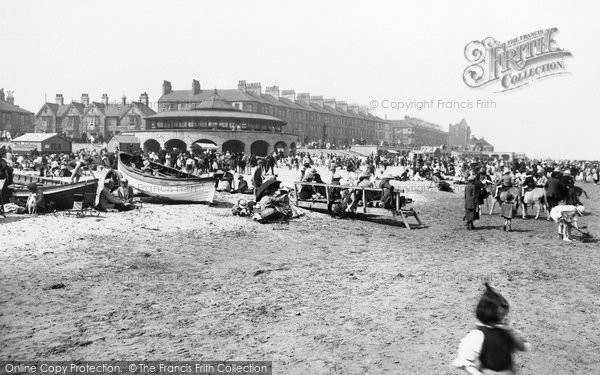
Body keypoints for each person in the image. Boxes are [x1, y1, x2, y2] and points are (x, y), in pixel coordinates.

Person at [453, 283, 530, 375]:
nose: (506, 318)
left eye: (506, 315)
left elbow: (523, 347)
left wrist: (511, 331)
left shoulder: (506, 331)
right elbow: (464, 362)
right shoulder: (477, 335)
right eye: (502, 316)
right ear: (490, 315)